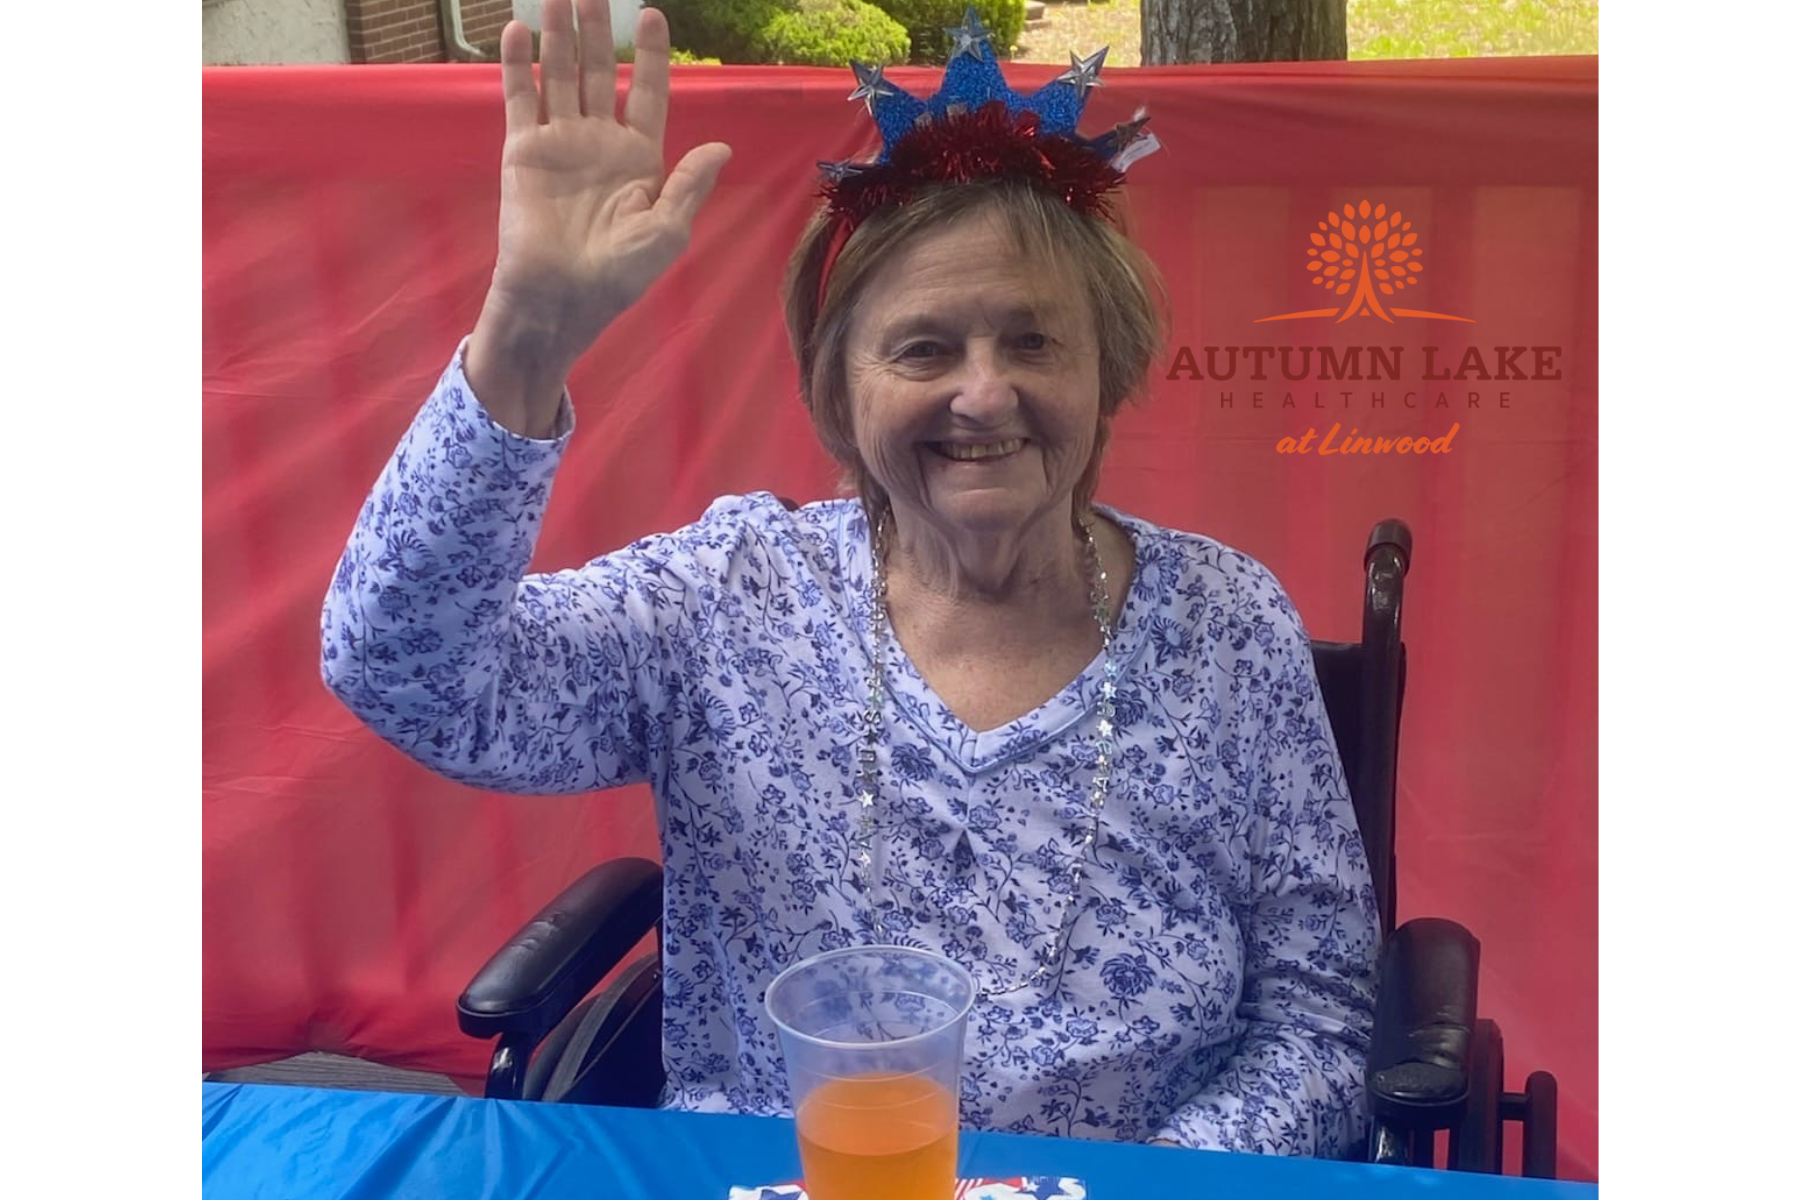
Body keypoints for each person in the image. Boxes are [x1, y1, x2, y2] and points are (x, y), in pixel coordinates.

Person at [321, 0, 1379, 1157]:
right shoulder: (728, 600)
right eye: (924, 348)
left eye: (1033, 342)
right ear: (839, 391)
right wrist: (524, 332)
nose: (983, 394)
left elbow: (1318, 1022)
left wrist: (1152, 1189)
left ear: (1107, 369)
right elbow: (405, 673)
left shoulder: (1229, 624)